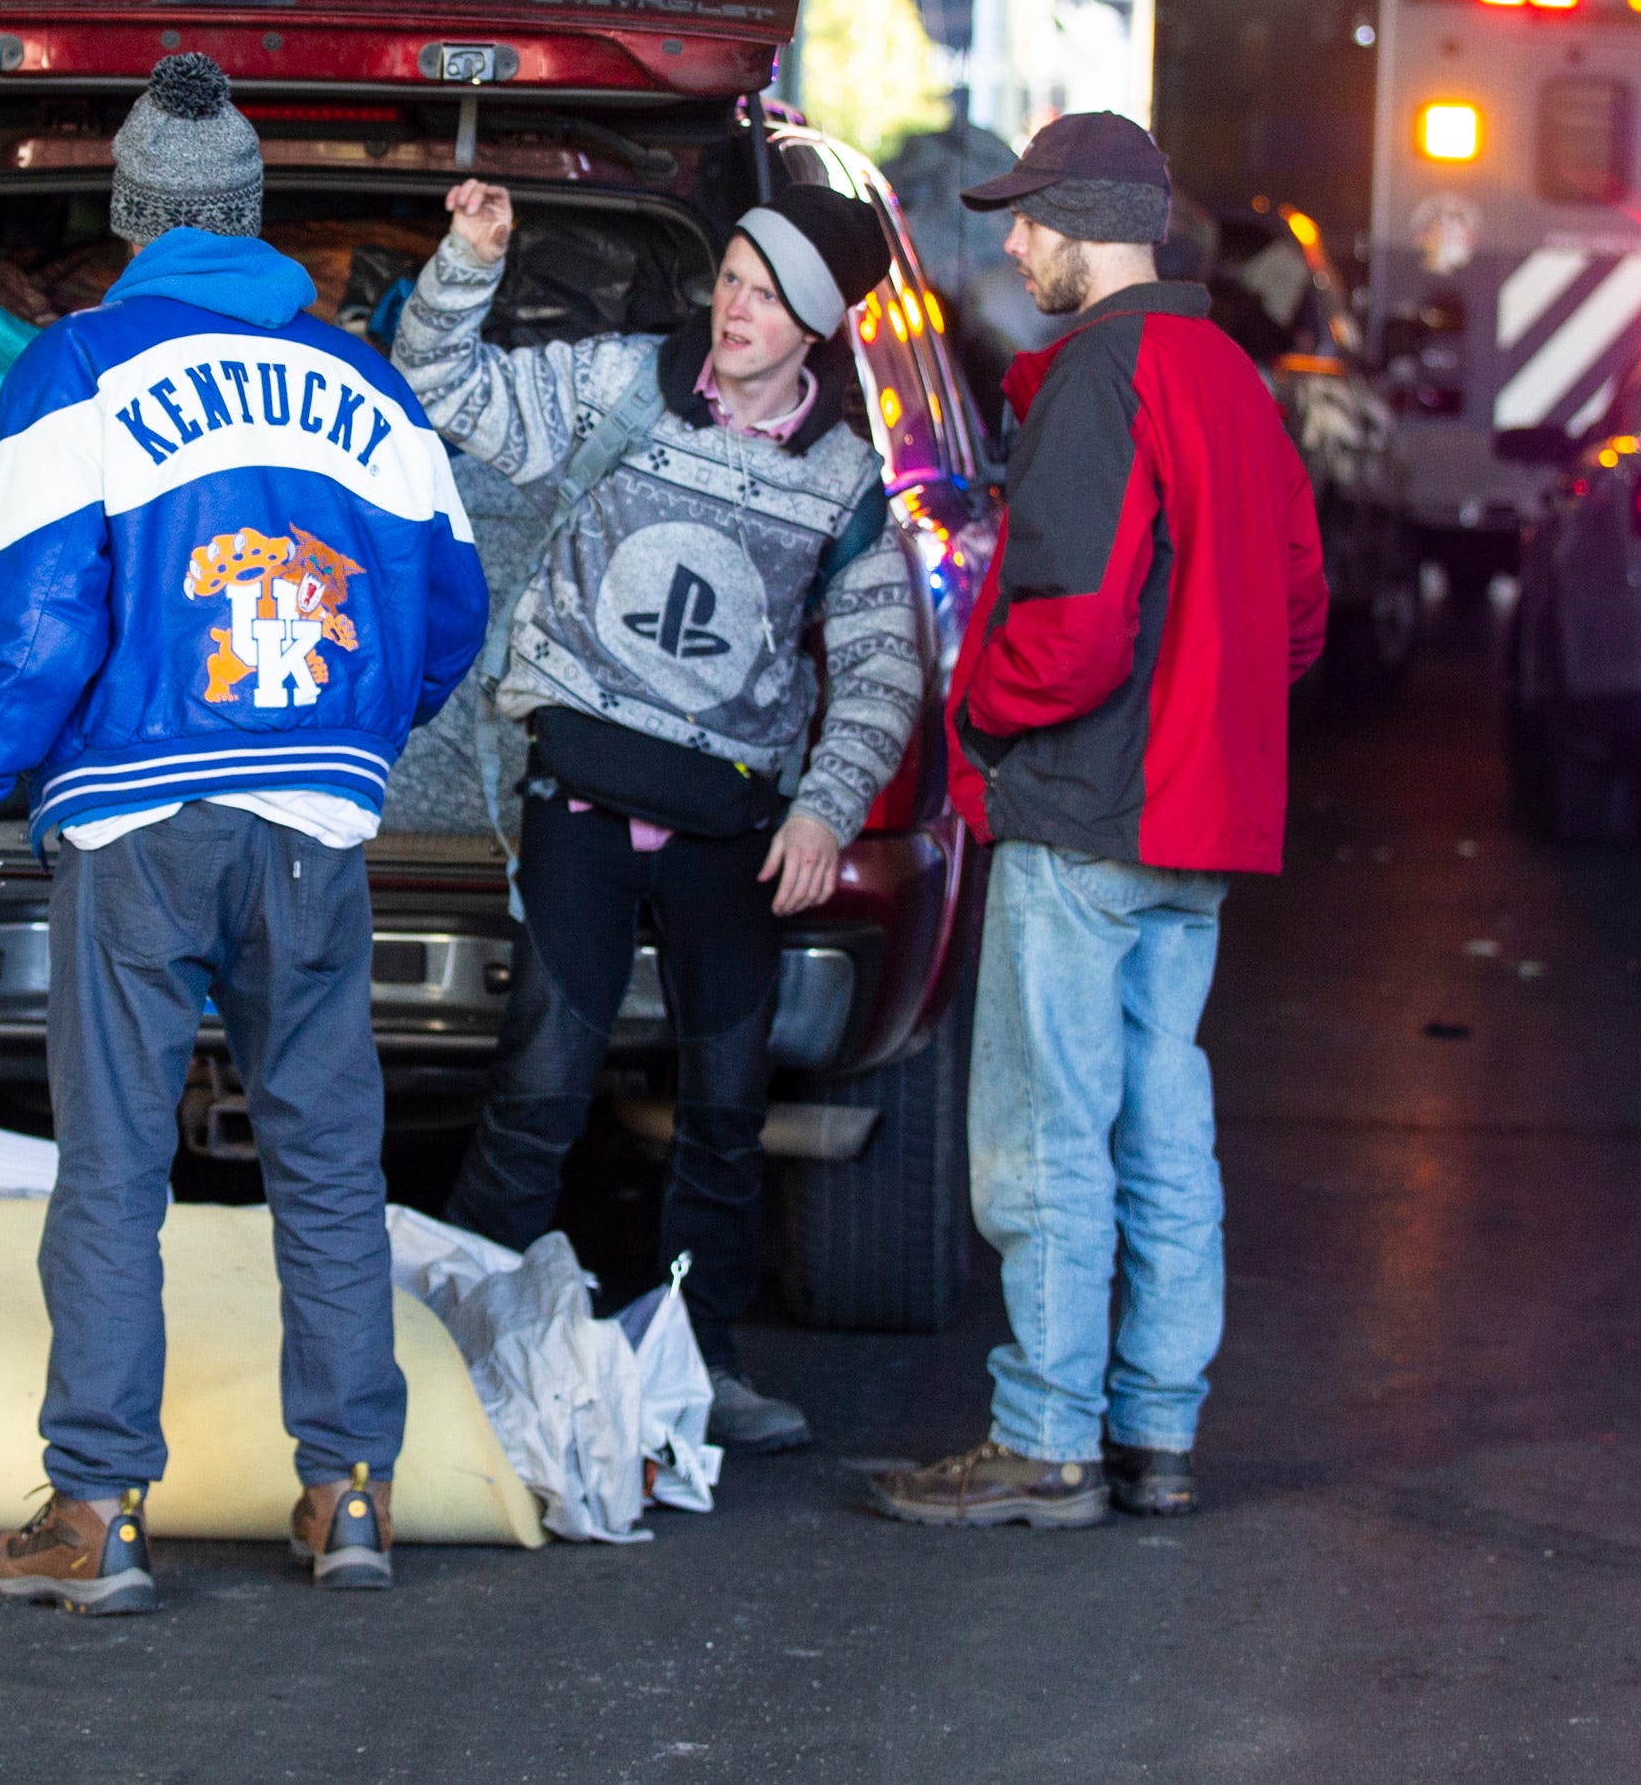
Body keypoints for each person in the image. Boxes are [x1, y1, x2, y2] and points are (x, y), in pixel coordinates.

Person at [0, 54, 487, 1613]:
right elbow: (450, 607)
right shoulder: (368, 382)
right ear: (249, 215)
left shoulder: (77, 364)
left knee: (114, 1158)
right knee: (326, 1148)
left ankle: (98, 1506)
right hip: (315, 823)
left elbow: (38, 622)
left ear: (129, 213)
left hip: (138, 813)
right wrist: (352, 737)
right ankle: (349, 1490)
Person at [396, 176, 923, 1456]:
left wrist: (824, 811)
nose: (734, 310)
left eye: (767, 295)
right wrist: (466, 263)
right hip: (576, 797)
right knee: (539, 1087)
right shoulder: (620, 385)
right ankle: (455, 1349)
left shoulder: (845, 482)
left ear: (816, 326)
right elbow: (438, 388)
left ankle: (698, 1361)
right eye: (731, 280)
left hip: (731, 830)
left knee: (726, 1115)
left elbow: (882, 666)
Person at [868, 113, 1323, 1531]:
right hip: (1195, 824)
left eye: (1027, 219)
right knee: (1164, 1127)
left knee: (1046, 1128)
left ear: (1090, 221)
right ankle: (1155, 1436)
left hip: (1083, 812)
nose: (1010, 244)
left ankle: (1045, 1438)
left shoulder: (1099, 377)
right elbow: (1298, 612)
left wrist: (982, 722)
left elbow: (1067, 628)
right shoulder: (1233, 377)